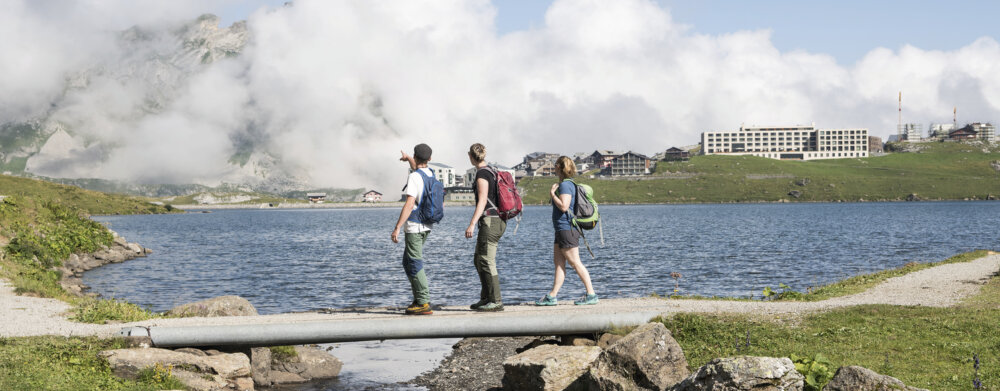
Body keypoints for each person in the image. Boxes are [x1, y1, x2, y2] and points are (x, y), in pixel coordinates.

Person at [535, 156, 599, 306]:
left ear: (559, 167)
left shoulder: (565, 186)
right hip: (561, 229)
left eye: (555, 165)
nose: (554, 168)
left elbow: (564, 206)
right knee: (558, 264)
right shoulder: (565, 184)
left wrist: (552, 194)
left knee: (575, 263)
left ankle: (591, 294)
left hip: (567, 228)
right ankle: (552, 296)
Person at [391, 143, 436, 315]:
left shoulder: (414, 177)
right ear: (430, 159)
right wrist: (409, 158)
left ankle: (423, 302)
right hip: (426, 225)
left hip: (414, 226)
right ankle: (419, 298)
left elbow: (409, 204)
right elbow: (417, 169)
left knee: (415, 262)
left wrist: (397, 228)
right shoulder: (430, 173)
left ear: (416, 157)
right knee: (407, 262)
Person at [464, 143, 506, 312]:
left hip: (491, 221)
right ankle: (486, 297)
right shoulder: (492, 170)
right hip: (497, 220)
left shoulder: (482, 174)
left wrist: (472, 224)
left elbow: (482, 201)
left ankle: (496, 300)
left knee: (487, 261)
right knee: (478, 259)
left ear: (470, 155)